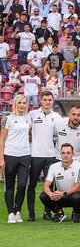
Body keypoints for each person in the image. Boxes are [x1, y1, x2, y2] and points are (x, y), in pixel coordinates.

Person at [26, 92, 61, 221]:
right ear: (40, 101)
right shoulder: (32, 114)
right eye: (45, 100)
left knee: (49, 186)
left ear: (53, 101)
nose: (47, 102)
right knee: (32, 185)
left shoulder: (57, 116)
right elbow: (25, 129)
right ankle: (31, 213)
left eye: (50, 100)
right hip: (35, 155)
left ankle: (48, 212)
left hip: (51, 155)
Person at [0, 95, 31, 223]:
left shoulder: (28, 118)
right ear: (15, 104)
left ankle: (18, 211)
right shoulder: (8, 119)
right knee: (10, 185)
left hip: (25, 155)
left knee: (23, 184)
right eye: (20, 103)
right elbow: (2, 139)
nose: (23, 105)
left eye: (24, 103)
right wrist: (1, 158)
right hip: (10, 154)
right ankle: (10, 213)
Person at [40, 143, 80, 223]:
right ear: (60, 154)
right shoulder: (53, 167)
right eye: (63, 153)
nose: (65, 155)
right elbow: (46, 186)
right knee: (43, 196)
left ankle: (77, 214)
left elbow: (78, 187)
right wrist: (51, 195)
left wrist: (63, 193)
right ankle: (59, 213)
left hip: (72, 196)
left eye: (68, 153)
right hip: (59, 197)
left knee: (78, 196)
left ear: (72, 154)